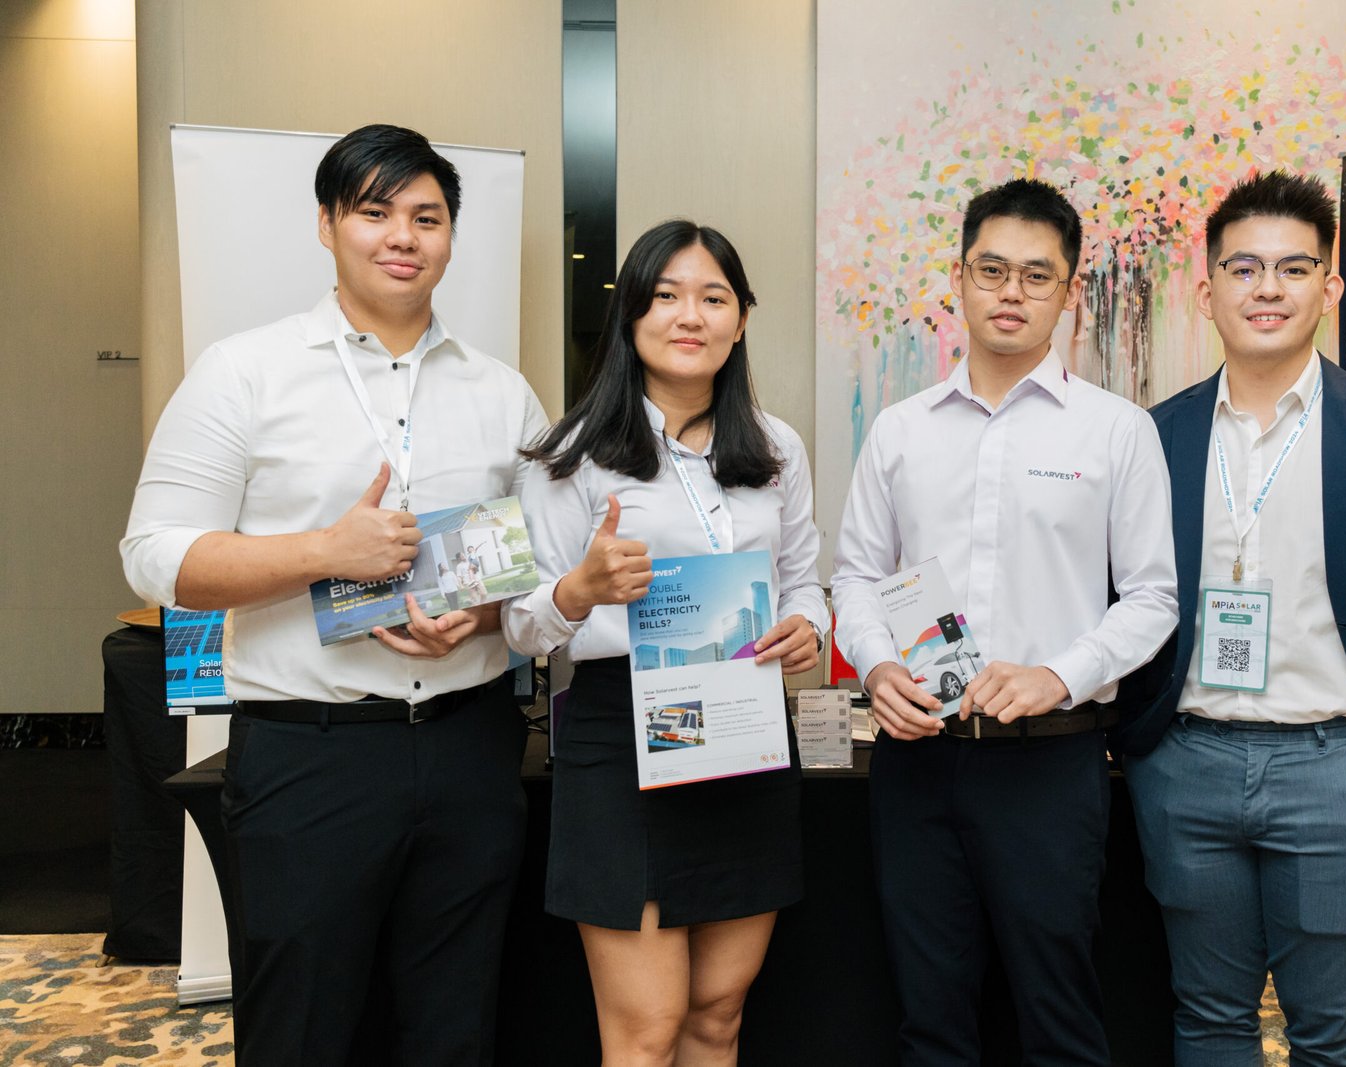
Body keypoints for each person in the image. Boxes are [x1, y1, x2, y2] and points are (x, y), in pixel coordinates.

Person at [120, 124, 549, 1065]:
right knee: (303, 1030)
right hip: (310, 758)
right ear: (327, 225)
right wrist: (325, 551)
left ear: (450, 237)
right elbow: (154, 556)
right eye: (375, 212)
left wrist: (481, 614)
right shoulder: (245, 371)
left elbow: (536, 572)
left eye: (427, 217)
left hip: (470, 750)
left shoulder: (503, 393)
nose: (403, 236)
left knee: (455, 1028)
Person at [1118, 170, 1346, 1065]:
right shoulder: (1155, 436)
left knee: (1331, 1030)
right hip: (1187, 766)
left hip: (1340, 770)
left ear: (1331, 288)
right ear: (1207, 291)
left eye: (1293, 268)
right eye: (1243, 268)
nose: (1268, 288)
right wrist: (1141, 746)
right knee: (1207, 1019)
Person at [830, 177, 1179, 1065]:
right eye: (991, 270)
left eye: (1036, 274)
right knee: (930, 1020)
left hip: (1049, 764)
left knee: (1059, 1021)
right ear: (960, 278)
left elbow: (1153, 597)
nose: (1010, 292)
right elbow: (857, 576)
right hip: (918, 760)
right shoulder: (901, 432)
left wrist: (1057, 674)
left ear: (1069, 291)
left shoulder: (1117, 431)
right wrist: (877, 666)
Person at [503, 219, 826, 1066]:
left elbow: (804, 580)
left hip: (746, 727)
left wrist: (808, 625)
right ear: (630, 315)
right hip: (622, 735)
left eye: (713, 298)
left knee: (718, 1013)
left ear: (741, 320)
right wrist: (580, 589)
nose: (691, 316)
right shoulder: (571, 456)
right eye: (666, 295)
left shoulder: (777, 448)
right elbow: (519, 624)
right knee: (646, 1028)